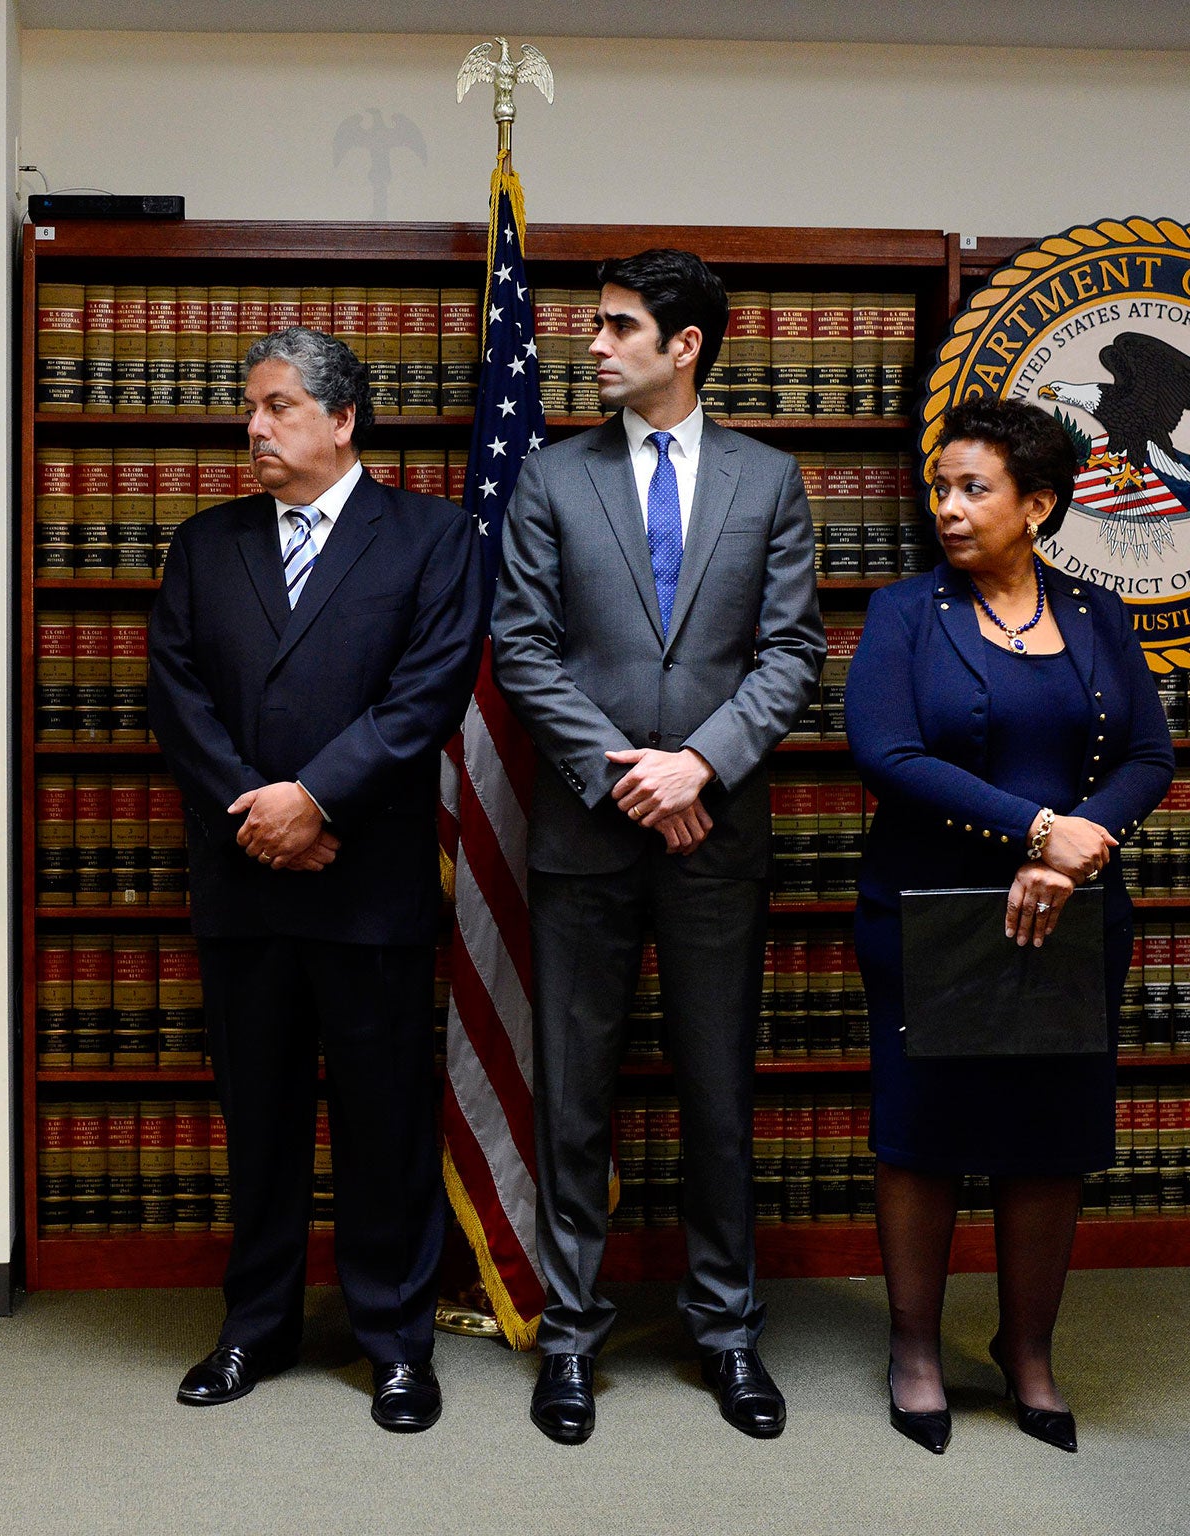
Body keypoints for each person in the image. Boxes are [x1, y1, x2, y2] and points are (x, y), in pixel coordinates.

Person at [492, 249, 825, 1444]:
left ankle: (725, 1332)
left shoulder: (768, 478)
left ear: (685, 346)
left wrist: (700, 764)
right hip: (585, 834)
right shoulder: (547, 475)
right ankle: (569, 1338)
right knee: (574, 1097)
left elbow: (790, 651)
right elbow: (520, 646)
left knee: (715, 1093)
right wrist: (628, 773)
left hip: (716, 833)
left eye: (618, 327)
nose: (591, 345)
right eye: (592, 326)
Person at [147, 326, 484, 1433]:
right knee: (260, 1116)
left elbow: (425, 696)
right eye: (251, 407)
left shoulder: (433, 539)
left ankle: (395, 1342)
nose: (253, 427)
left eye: (278, 406)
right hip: (246, 880)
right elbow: (177, 698)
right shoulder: (204, 545)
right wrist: (262, 812)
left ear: (341, 421)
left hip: (368, 882)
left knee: (384, 1123)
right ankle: (256, 1327)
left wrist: (316, 802)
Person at [845, 395, 1171, 1454]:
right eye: (938, 486)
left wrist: (1076, 850)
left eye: (971, 489)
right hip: (928, 910)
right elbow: (885, 753)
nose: (944, 506)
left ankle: (1025, 1354)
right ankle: (914, 1355)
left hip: (1072, 919)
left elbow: (1145, 757)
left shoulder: (1096, 614)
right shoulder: (903, 612)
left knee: (1046, 1138)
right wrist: (1037, 832)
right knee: (925, 1136)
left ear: (1034, 505)